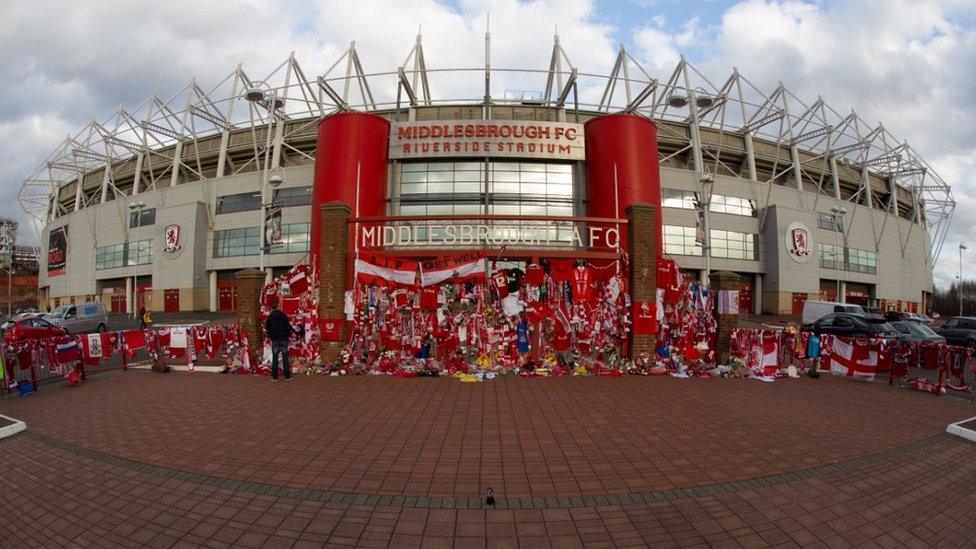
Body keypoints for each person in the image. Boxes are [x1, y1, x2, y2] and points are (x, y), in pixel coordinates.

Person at [265, 299, 292, 381]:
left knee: (275, 357)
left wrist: (271, 336)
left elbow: (268, 328)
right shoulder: (283, 315)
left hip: (275, 338)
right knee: (285, 356)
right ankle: (287, 376)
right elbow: (288, 327)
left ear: (271, 308)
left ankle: (275, 377)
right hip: (283, 337)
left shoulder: (270, 317)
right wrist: (287, 335)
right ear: (278, 306)